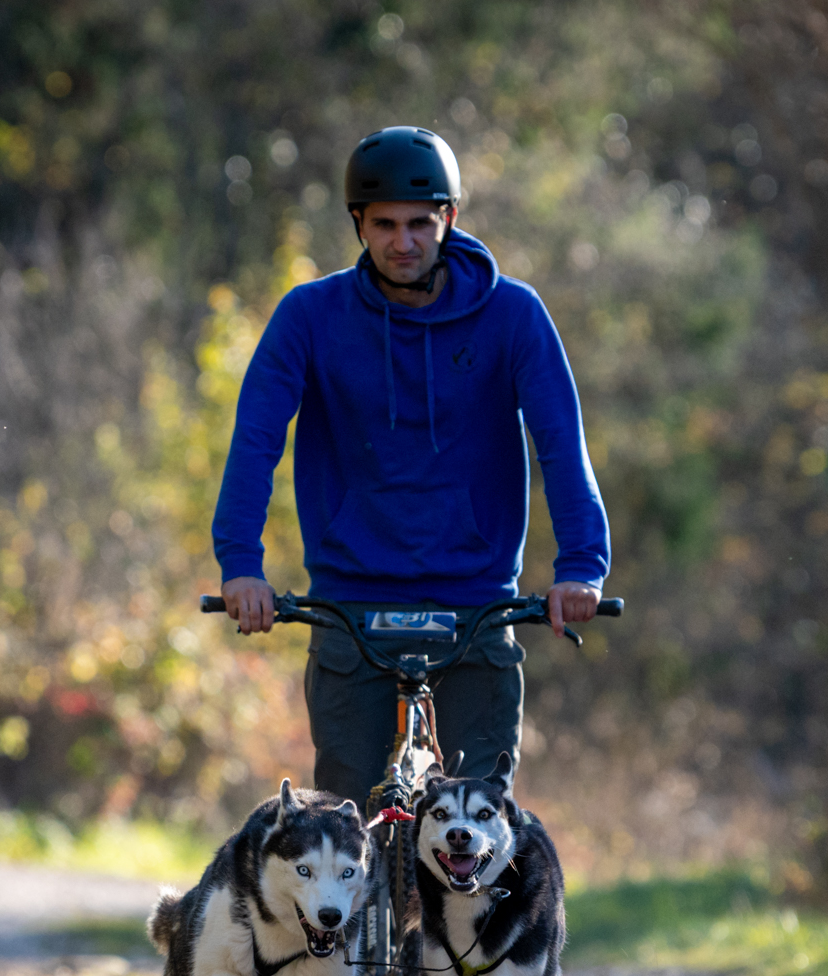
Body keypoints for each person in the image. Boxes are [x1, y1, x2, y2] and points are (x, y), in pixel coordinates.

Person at [211, 125, 610, 811]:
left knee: (480, 822)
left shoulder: (513, 315)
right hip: (350, 596)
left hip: (476, 597)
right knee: (342, 824)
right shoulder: (310, 317)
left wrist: (581, 566)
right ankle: (363, 921)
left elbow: (560, 443)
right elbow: (255, 440)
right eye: (385, 224)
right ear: (358, 225)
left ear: (449, 218)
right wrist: (241, 564)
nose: (404, 242)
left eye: (421, 223)